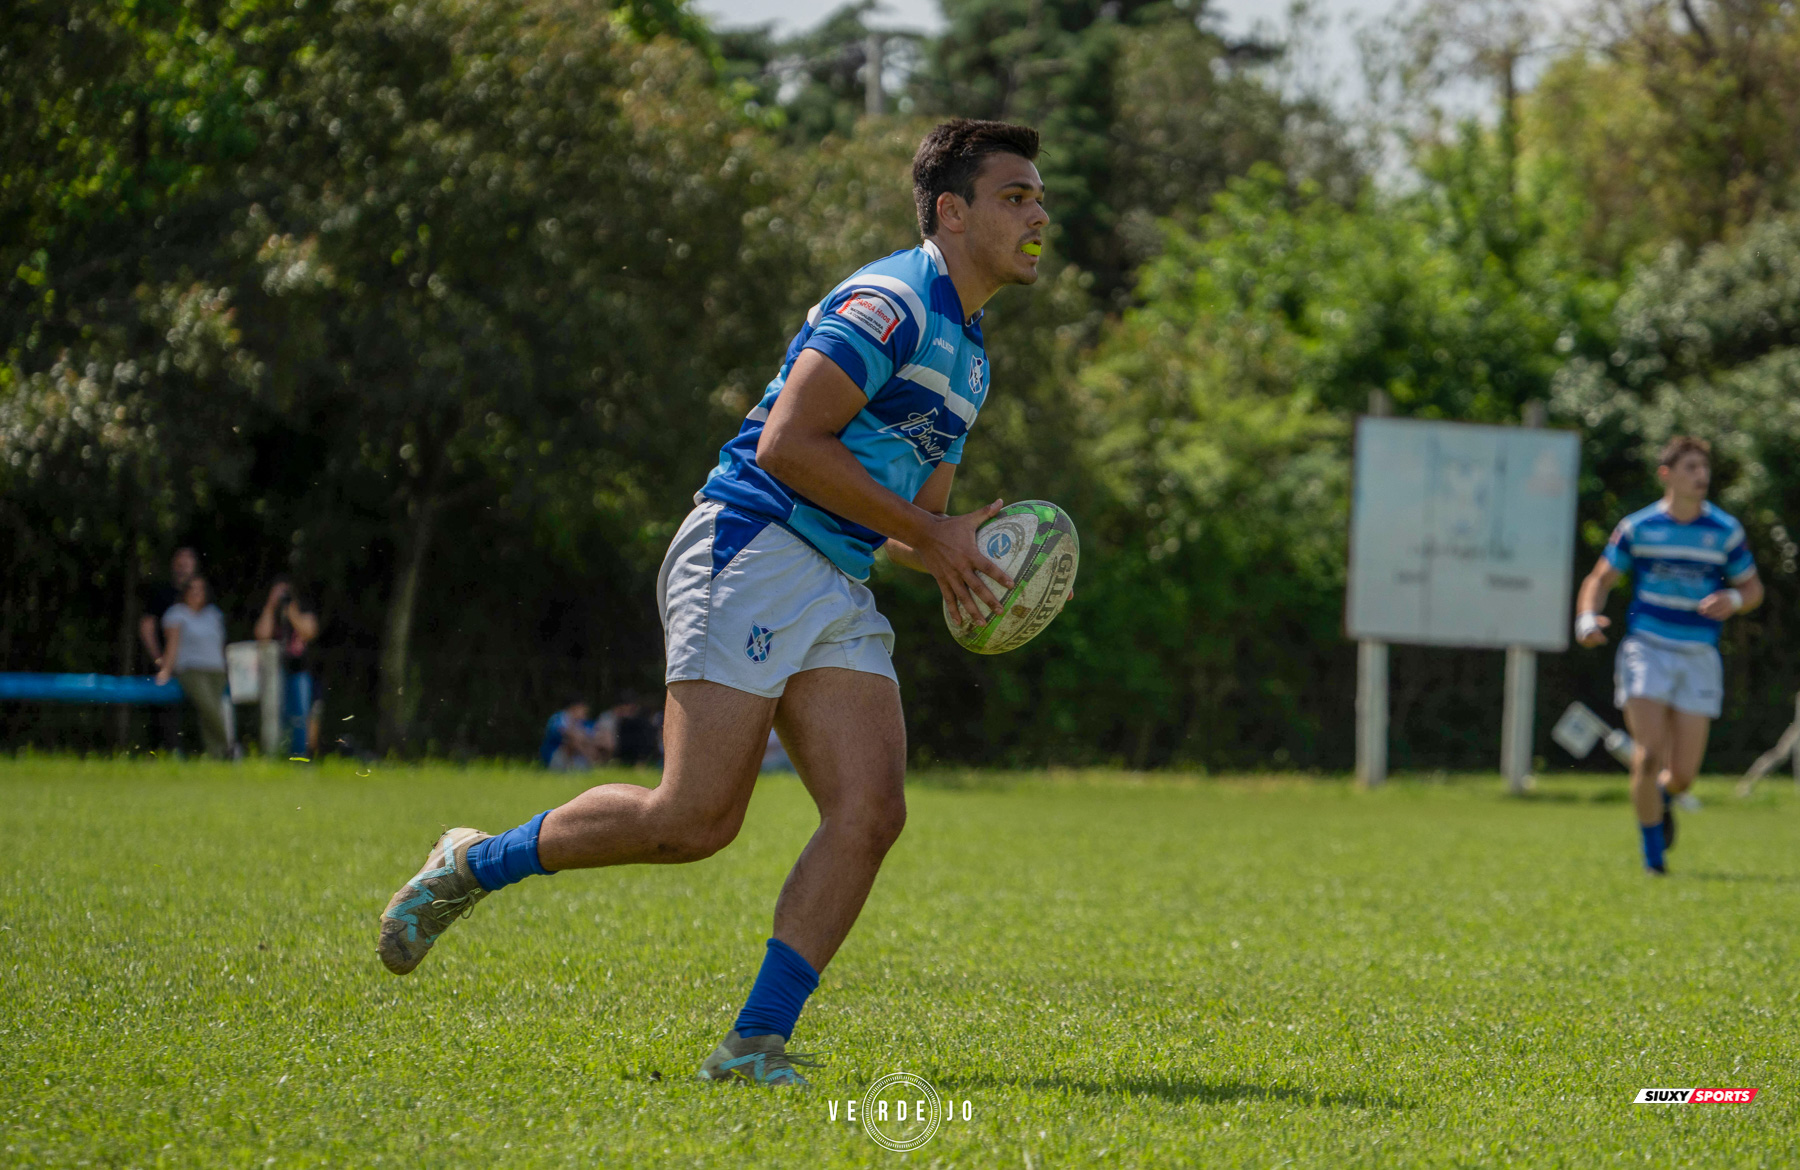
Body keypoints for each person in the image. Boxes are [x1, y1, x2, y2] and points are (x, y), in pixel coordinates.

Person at [377, 119, 1049, 1086]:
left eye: (1039, 198)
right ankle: (472, 863)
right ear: (952, 211)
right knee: (693, 820)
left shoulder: (972, 358)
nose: (1038, 216)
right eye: (1015, 197)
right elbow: (786, 445)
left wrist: (961, 559)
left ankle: (753, 1044)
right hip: (754, 545)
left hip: (835, 577)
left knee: (870, 809)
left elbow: (914, 524)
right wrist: (928, 534)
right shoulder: (891, 300)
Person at [1574, 436, 1763, 875]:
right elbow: (1599, 580)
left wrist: (1733, 601)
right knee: (1648, 754)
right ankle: (1653, 856)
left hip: (1699, 654)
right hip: (1648, 649)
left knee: (1681, 777)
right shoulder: (1638, 527)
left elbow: (1752, 589)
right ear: (1667, 475)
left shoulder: (1724, 530)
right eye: (1691, 468)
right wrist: (1587, 618)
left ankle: (1661, 798)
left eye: (1704, 468)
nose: (1702, 477)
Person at [156, 576, 232, 760]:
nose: (197, 593)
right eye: (193, 589)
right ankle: (231, 747)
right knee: (210, 709)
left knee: (209, 715)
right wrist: (166, 670)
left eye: (201, 589)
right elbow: (172, 645)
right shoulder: (177, 613)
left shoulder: (213, 614)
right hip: (192, 670)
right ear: (185, 593)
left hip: (217, 671)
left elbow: (220, 645)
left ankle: (218, 756)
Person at [138, 547, 198, 752]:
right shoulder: (162, 594)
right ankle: (167, 754)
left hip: (197, 668)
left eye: (187, 561)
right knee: (165, 716)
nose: (183, 566)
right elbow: (147, 626)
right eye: (179, 561)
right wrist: (160, 660)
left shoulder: (202, 596)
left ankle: (202, 753)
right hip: (170, 668)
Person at [254, 577, 321, 758]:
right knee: (276, 714)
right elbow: (262, 636)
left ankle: (299, 756)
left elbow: (309, 632)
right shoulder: (272, 612)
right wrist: (270, 605)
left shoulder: (303, 607)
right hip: (274, 671)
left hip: (299, 670)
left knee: (300, 716)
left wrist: (291, 612)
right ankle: (278, 753)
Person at [540, 700, 600, 771]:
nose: (585, 714)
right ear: (575, 707)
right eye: (583, 710)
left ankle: (597, 763)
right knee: (573, 741)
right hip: (555, 754)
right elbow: (564, 733)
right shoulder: (559, 718)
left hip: (577, 756)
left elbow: (595, 734)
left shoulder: (580, 722)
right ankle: (594, 762)